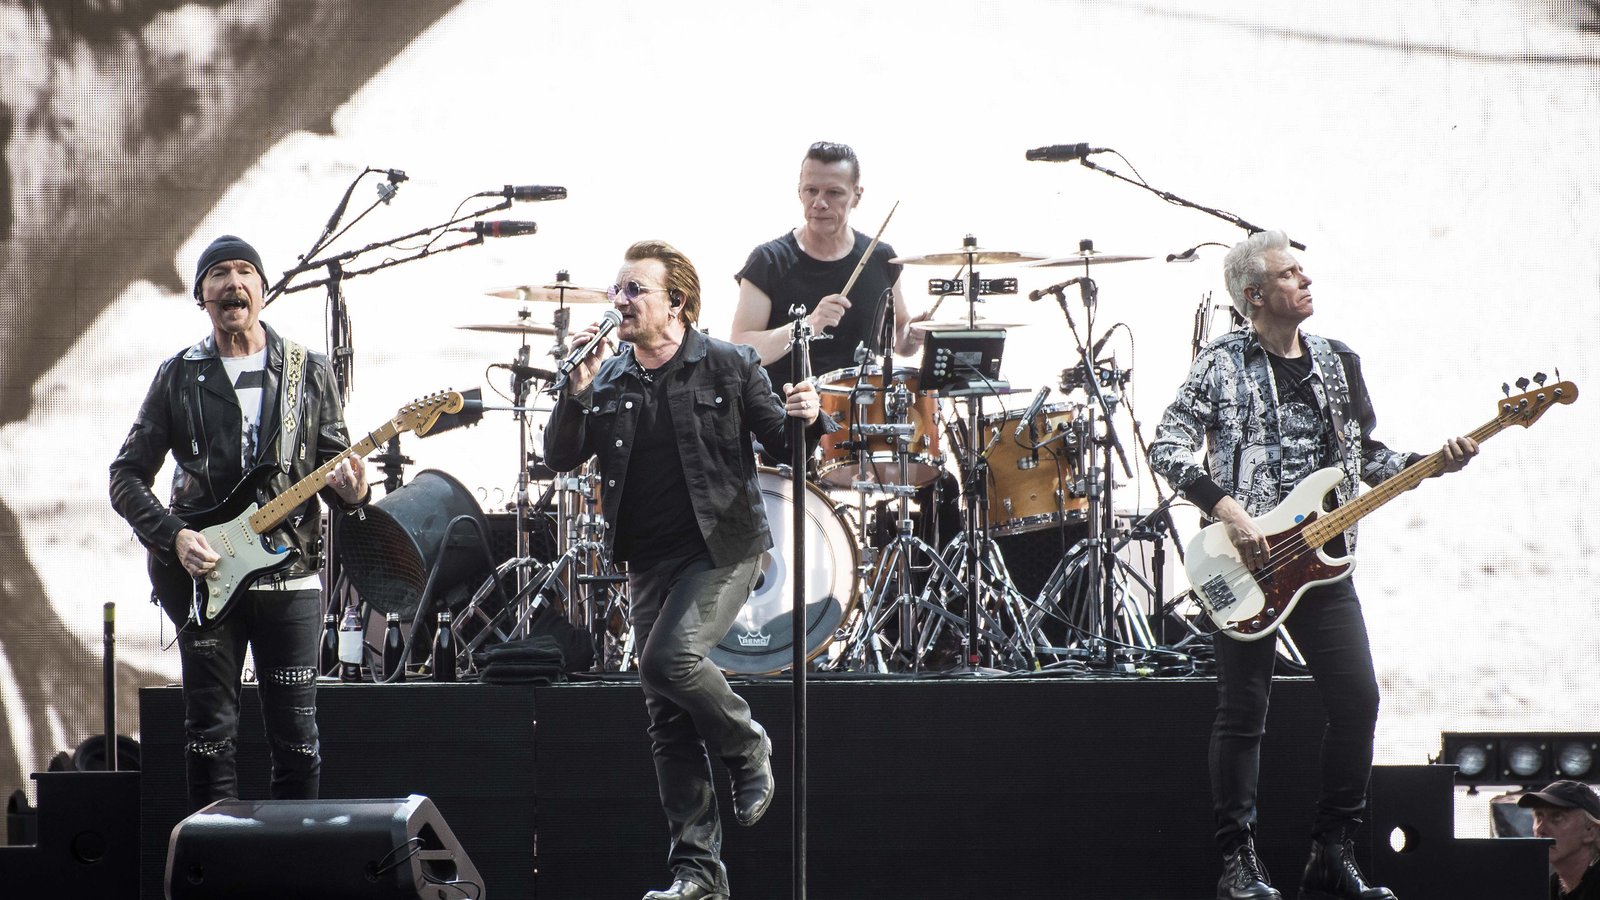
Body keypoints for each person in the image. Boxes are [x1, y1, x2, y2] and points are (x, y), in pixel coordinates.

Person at [1147, 230, 1480, 900]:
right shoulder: (1221, 363)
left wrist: (1429, 464)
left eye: (1303, 271)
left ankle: (1332, 850)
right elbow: (1167, 446)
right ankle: (1238, 862)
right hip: (1244, 563)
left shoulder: (1337, 361)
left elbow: (1364, 459)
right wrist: (1228, 511)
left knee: (1358, 700)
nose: (1305, 281)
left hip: (1324, 561)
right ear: (1253, 295)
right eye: (1288, 274)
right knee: (1244, 712)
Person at [543, 240, 831, 900]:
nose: (619, 301)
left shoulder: (730, 363)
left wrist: (810, 418)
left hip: (723, 549)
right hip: (648, 559)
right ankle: (697, 874)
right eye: (615, 290)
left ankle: (747, 744)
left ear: (677, 302)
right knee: (667, 718)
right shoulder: (607, 378)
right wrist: (575, 393)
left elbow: (787, 442)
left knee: (666, 662)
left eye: (634, 290)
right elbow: (559, 456)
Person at [110, 235, 367, 810]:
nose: (234, 282)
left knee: (297, 743)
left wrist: (355, 492)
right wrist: (174, 537)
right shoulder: (179, 375)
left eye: (245, 271)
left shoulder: (308, 370)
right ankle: (212, 856)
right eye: (219, 273)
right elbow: (125, 475)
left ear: (263, 290)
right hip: (205, 579)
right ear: (201, 295)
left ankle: (292, 857)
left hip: (290, 577)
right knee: (209, 739)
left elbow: (337, 474)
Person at [731, 140, 928, 391]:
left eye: (833, 193)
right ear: (799, 191)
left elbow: (899, 338)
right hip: (786, 407)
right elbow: (740, 350)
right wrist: (807, 326)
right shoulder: (769, 260)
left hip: (862, 406)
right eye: (811, 190)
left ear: (857, 196)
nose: (819, 203)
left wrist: (913, 335)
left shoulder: (881, 257)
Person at [1519, 780, 1600, 899]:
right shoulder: (1549, 888)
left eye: (1556, 817)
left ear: (1590, 831)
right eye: (1539, 816)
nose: (1541, 829)